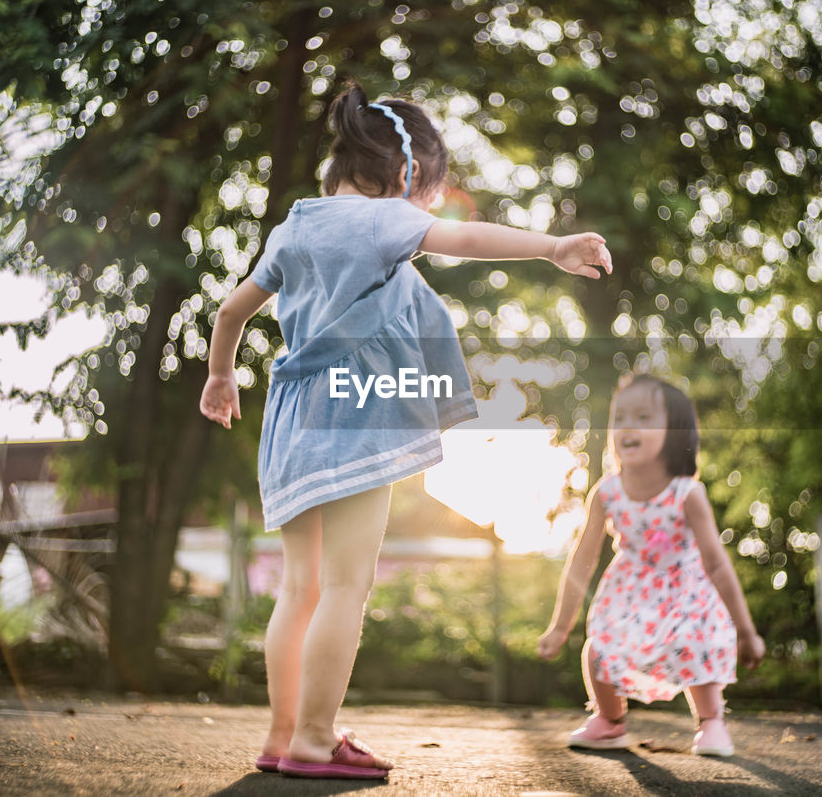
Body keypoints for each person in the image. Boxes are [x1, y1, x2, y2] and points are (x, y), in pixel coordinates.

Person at [200, 81, 611, 779]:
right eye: (428, 191)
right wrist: (550, 247)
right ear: (405, 175)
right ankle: (315, 737)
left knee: (299, 587)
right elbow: (467, 237)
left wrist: (220, 377)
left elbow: (229, 316)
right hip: (354, 413)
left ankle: (281, 735)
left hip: (292, 415)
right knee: (346, 587)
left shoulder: (293, 226)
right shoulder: (383, 220)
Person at [537, 374, 765, 756]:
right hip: (629, 591)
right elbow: (581, 560)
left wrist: (745, 631)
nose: (628, 425)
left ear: (673, 432)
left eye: (643, 416)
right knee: (599, 648)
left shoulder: (687, 493)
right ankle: (609, 721)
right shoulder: (606, 493)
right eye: (620, 416)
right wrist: (560, 625)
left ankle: (711, 722)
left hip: (686, 589)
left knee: (696, 643)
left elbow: (717, 564)